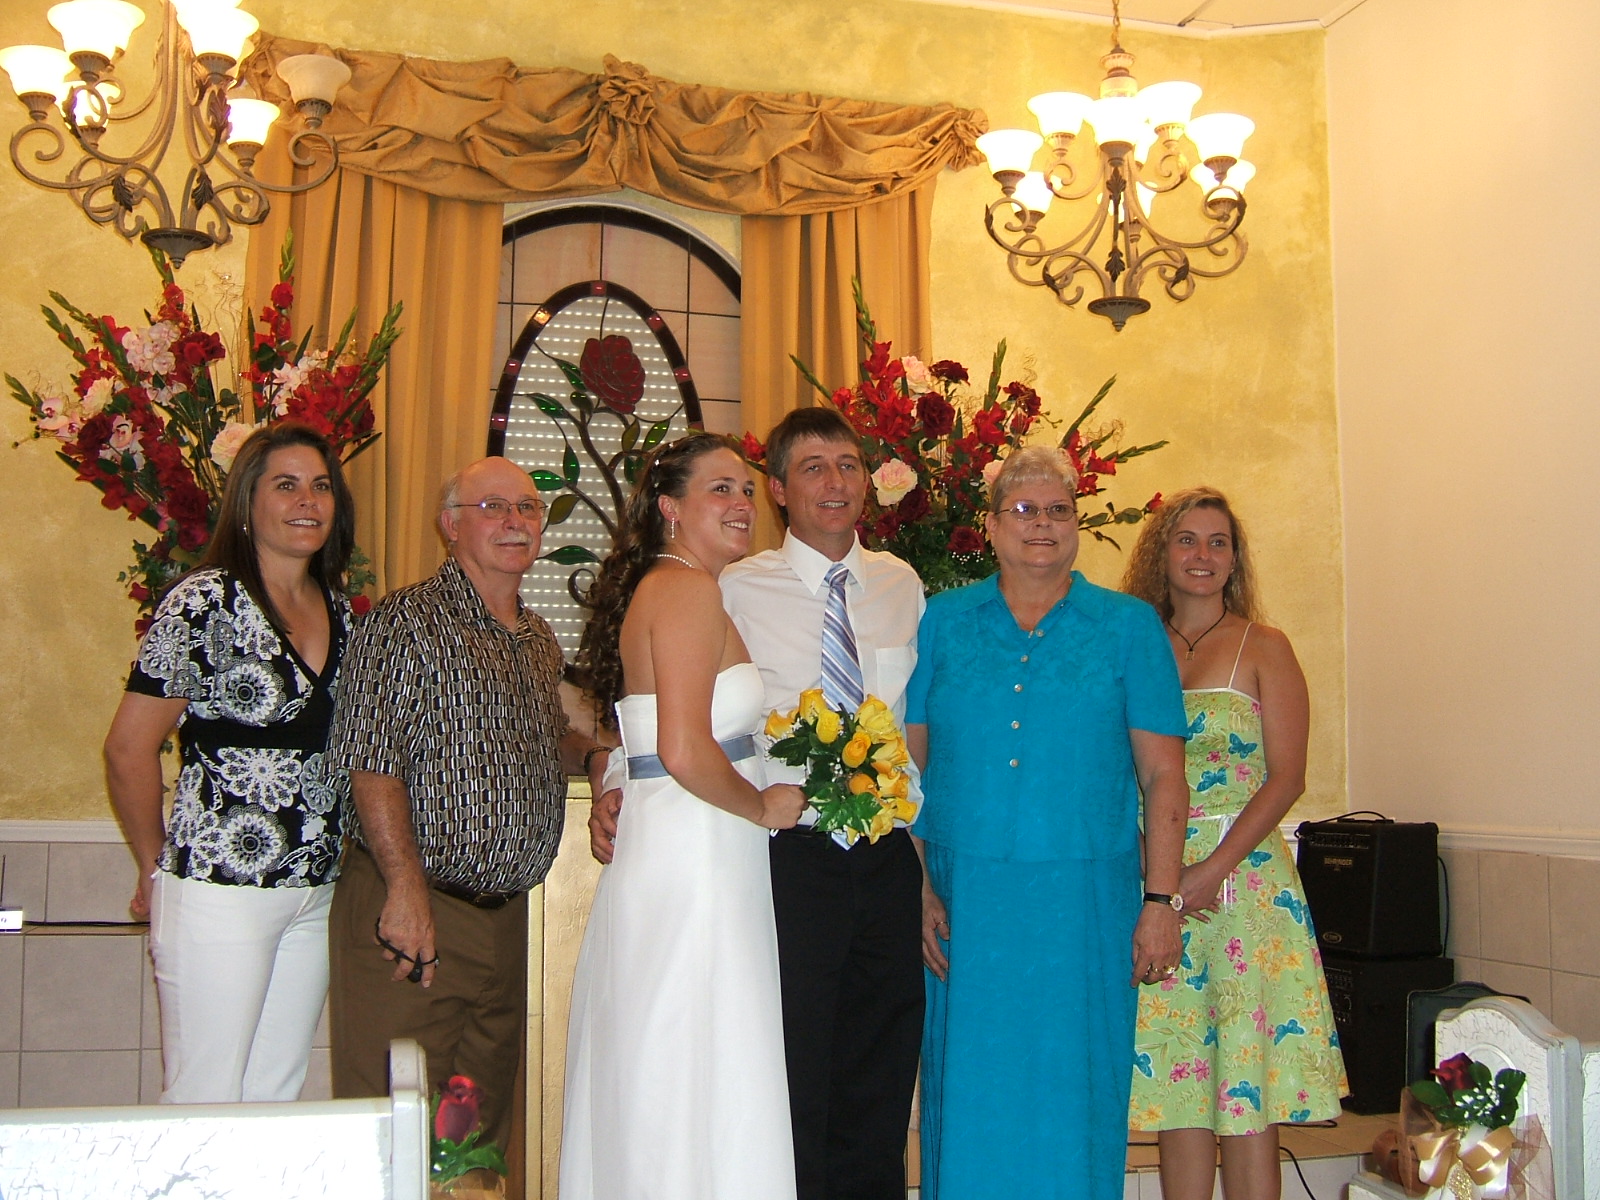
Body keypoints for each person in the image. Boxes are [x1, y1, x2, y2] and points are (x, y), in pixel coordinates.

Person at [589, 407, 927, 1200]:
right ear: (780, 489)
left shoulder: (903, 585)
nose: (834, 483)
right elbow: (665, 705)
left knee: (881, 1072)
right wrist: (615, 779)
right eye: (812, 468)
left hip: (884, 853)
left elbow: (922, 725)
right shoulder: (730, 583)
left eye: (848, 465)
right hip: (783, 852)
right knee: (786, 1071)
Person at [908, 445, 1191, 1200]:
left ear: (1077, 524)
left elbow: (1164, 775)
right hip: (966, 902)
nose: (1043, 524)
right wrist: (918, 885)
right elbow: (905, 768)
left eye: (1059, 510)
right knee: (971, 1093)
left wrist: (1160, 902)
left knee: (1076, 1091)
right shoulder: (943, 620)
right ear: (991, 525)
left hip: (1086, 904)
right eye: (1024, 509)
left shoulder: (1128, 627)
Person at [324, 455, 611, 1150]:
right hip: (413, 913)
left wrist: (599, 758)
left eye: (528, 507)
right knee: (393, 1134)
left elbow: (552, 738)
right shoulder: (406, 622)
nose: (515, 521)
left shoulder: (536, 638)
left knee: (474, 1142)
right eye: (493, 507)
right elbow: (371, 762)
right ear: (450, 525)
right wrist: (404, 891)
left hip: (504, 926)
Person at [560, 432, 807, 1200]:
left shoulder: (674, 587)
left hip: (684, 846)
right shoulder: (688, 591)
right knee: (695, 1059)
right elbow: (683, 748)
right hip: (699, 857)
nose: (742, 504)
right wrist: (764, 805)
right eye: (720, 489)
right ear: (670, 507)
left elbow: (643, 743)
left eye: (746, 489)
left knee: (674, 1061)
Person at [103, 420, 357, 1104]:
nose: (307, 501)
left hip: (313, 889)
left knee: (275, 1096)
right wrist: (154, 865)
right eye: (286, 485)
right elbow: (128, 749)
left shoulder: (342, 611)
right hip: (218, 887)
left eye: (321, 486)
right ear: (248, 501)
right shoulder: (203, 602)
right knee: (206, 1099)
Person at [1122, 487, 1347, 1200]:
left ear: (1235, 560)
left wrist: (1210, 870)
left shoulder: (1264, 646)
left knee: (1246, 1097)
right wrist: (1157, 875)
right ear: (1161, 553)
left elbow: (1287, 778)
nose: (1203, 555)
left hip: (1243, 883)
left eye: (1218, 542)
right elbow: (1112, 772)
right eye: (1187, 539)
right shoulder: (1133, 645)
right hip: (1153, 882)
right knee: (1179, 1090)